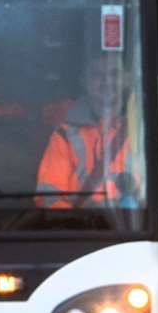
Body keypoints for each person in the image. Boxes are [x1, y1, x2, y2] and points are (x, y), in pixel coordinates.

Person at [35, 51, 140, 208]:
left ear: (126, 79)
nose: (106, 81)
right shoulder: (65, 135)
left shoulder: (145, 127)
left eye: (114, 74)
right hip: (83, 229)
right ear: (84, 81)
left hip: (138, 229)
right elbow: (49, 198)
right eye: (97, 75)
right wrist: (77, 226)